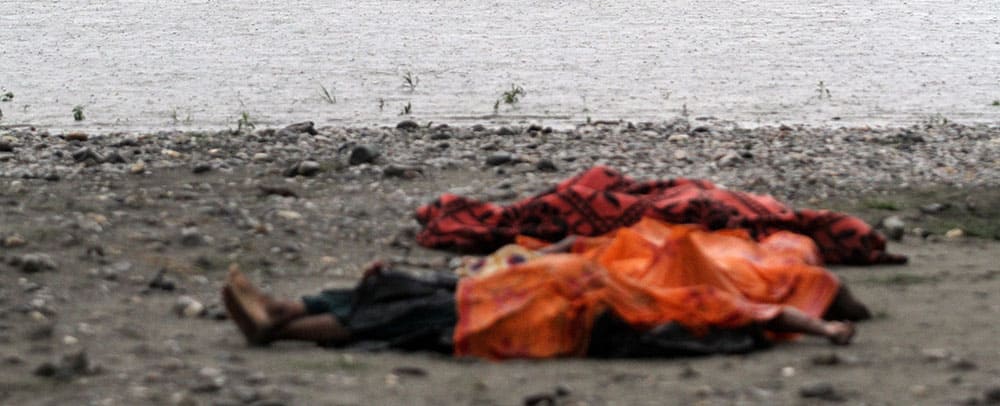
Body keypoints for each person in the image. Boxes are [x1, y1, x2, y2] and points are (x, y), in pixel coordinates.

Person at [222, 220, 867, 359]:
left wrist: (827, 329)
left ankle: (276, 325)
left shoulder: (695, 298)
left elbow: (767, 309)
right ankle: (283, 309)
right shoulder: (659, 268)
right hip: (520, 289)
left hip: (528, 311)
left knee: (407, 311)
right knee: (398, 287)